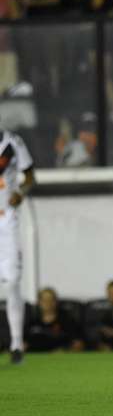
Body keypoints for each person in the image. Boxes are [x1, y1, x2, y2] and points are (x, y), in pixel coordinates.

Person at [0, 127, 35, 364]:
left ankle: (15, 344)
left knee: (12, 282)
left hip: (6, 221)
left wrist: (21, 192)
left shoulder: (11, 142)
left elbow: (29, 176)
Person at [26, 288, 84, 352]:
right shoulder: (32, 323)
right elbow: (22, 345)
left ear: (56, 302)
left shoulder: (67, 321)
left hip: (60, 359)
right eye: (44, 300)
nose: (48, 303)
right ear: (39, 302)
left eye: (51, 300)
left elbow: (78, 344)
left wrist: (65, 351)